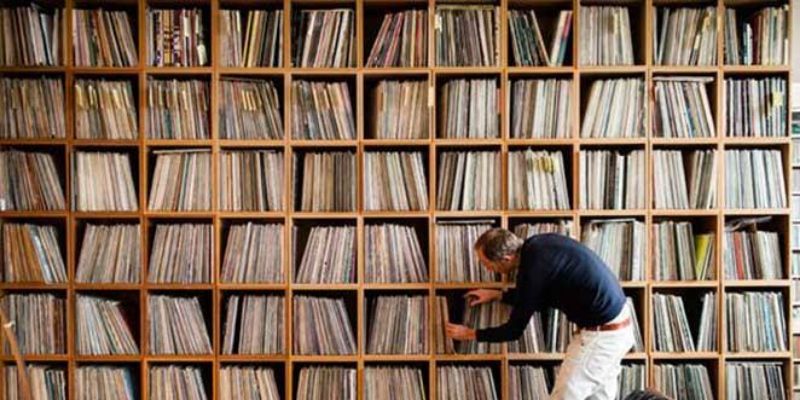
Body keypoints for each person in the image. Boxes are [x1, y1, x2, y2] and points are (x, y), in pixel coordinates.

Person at [445, 228, 635, 400]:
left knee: (565, 395)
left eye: (487, 264)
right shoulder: (539, 246)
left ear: (506, 258)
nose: (487, 269)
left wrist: (470, 334)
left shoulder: (531, 268)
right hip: (618, 326)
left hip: (602, 337)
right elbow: (538, 297)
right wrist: (498, 295)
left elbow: (514, 330)